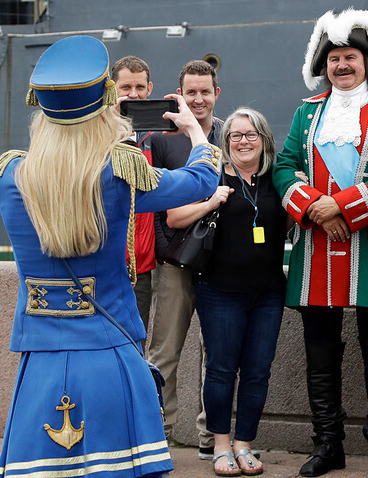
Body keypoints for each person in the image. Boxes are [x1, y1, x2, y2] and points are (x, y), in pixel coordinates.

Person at [0, 35, 221, 477]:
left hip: (40, 358)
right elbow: (202, 181)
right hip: (110, 351)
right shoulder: (118, 172)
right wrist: (193, 130)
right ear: (104, 108)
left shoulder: (8, 177)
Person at [271, 8, 368, 476]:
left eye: (349, 57)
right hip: (316, 250)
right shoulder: (305, 113)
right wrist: (316, 206)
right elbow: (284, 167)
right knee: (320, 354)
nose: (341, 66)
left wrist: (344, 208)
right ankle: (327, 444)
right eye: (333, 59)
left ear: (366, 62)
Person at [167, 108, 286, 477]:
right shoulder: (212, 175)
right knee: (220, 370)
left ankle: (244, 444)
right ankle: (220, 446)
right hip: (219, 290)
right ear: (225, 140)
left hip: (267, 292)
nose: (243, 141)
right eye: (235, 135)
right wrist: (211, 201)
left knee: (257, 372)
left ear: (264, 139)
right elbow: (173, 217)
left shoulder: (278, 180)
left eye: (251, 135)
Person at [148, 60, 222, 456]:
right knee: (165, 353)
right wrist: (165, 252)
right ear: (179, 93)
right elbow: (155, 204)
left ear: (216, 93)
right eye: (190, 92)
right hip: (174, 263)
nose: (198, 99)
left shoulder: (233, 133)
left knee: (218, 356)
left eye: (204, 91)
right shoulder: (163, 140)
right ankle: (159, 434)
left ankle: (212, 439)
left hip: (219, 263)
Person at [111, 55, 157, 346]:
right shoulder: (96, 133)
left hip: (143, 266)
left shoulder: (160, 135)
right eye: (125, 87)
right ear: (112, 89)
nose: (133, 94)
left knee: (135, 343)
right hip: (106, 262)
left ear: (149, 88)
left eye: (139, 87)